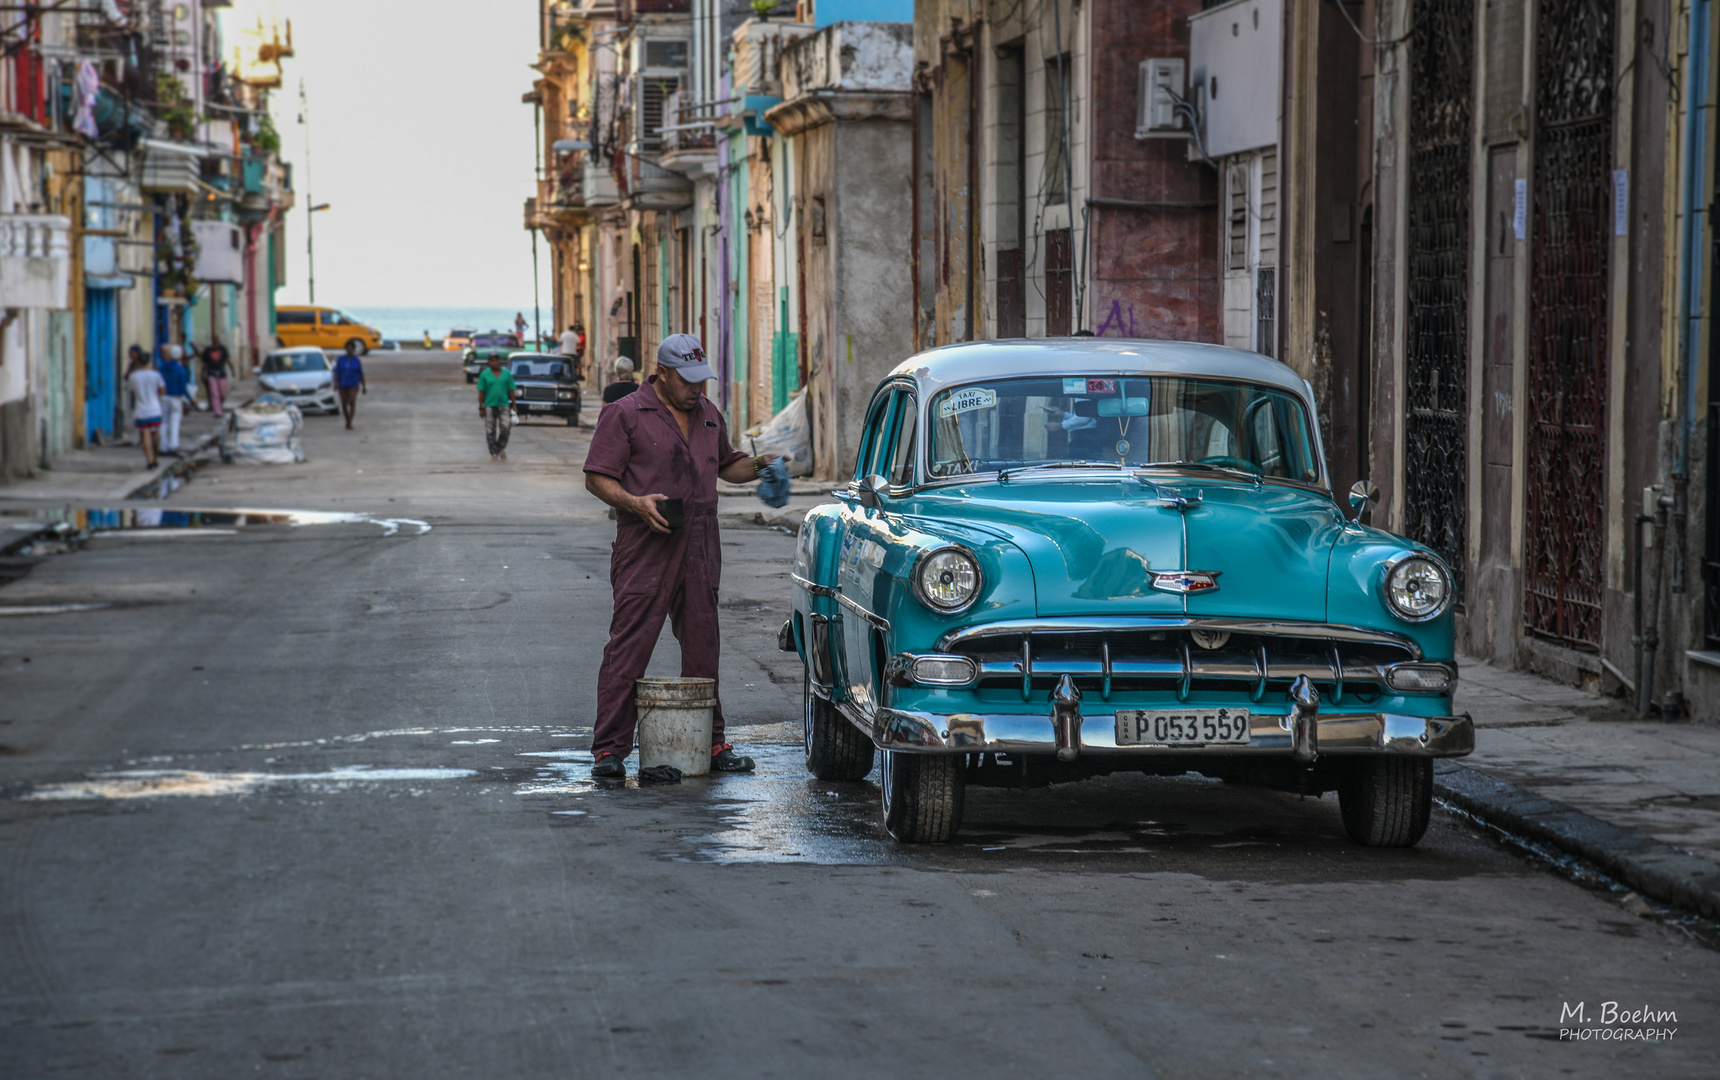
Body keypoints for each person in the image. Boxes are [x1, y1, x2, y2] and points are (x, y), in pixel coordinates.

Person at [581, 334, 780, 779]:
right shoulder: (626, 413)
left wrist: (762, 463)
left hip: (701, 543)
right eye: (688, 381)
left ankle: (711, 743)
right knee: (630, 643)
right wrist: (635, 503)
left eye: (702, 381)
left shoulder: (708, 415)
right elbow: (596, 478)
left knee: (703, 643)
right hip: (645, 543)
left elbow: (727, 466)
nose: (697, 389)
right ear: (663, 373)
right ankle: (608, 751)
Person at [126, 348, 166, 469]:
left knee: (145, 435)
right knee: (155, 435)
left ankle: (149, 460)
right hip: (155, 409)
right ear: (149, 362)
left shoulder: (133, 377)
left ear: (137, 362)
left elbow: (131, 391)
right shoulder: (156, 375)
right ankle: (156, 458)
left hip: (141, 411)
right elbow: (162, 391)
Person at [477, 352, 516, 462]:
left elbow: (511, 390)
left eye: (497, 360)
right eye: (493, 360)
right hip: (489, 406)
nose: (495, 362)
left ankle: (500, 447)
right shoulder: (484, 375)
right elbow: (481, 392)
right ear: (489, 362)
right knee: (490, 431)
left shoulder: (506, 374)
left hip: (504, 405)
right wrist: (481, 407)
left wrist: (514, 404)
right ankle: (494, 452)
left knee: (506, 428)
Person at [158, 345, 193, 456]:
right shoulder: (181, 370)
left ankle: (163, 447)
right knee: (174, 423)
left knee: (163, 423)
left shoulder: (162, 368)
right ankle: (173, 446)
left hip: (164, 398)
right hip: (176, 399)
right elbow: (183, 388)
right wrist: (191, 399)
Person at [333, 341, 367, 429]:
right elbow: (336, 372)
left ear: (354, 349)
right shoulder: (341, 359)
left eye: (351, 348)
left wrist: (364, 386)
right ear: (346, 349)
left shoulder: (356, 360)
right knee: (344, 404)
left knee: (352, 402)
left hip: (354, 384)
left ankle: (349, 421)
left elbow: (361, 374)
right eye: (348, 347)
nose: (349, 349)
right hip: (343, 384)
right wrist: (335, 383)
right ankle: (347, 420)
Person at [202, 337, 232, 418]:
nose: (216, 340)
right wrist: (202, 374)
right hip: (211, 374)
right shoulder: (207, 350)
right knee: (215, 394)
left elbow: (227, 359)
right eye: (214, 339)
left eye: (217, 339)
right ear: (212, 340)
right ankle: (217, 412)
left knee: (222, 394)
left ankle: (219, 406)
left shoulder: (223, 349)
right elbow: (204, 364)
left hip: (222, 374)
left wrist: (232, 370)